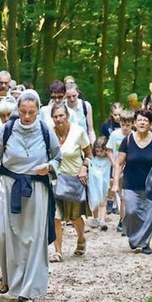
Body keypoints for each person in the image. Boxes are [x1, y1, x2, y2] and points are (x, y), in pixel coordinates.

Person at [0, 89, 62, 302]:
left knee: (33, 240)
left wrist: (50, 167)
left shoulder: (46, 131)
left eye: (31, 112)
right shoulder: (7, 130)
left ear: (37, 111)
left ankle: (26, 291)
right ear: (18, 109)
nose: (27, 116)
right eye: (23, 111)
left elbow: (57, 157)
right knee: (1, 234)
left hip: (36, 190)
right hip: (7, 187)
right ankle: (8, 277)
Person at [112, 109, 152, 254]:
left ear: (150, 124)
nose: (142, 122)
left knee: (150, 216)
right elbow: (119, 163)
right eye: (139, 120)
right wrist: (115, 183)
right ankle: (134, 238)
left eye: (146, 120)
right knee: (132, 212)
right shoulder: (127, 141)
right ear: (134, 122)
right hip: (131, 184)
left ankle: (144, 243)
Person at [50, 103, 92, 262]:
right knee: (55, 216)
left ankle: (81, 238)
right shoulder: (50, 134)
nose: (58, 119)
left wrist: (84, 168)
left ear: (67, 116)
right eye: (55, 116)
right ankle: (57, 251)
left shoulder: (78, 132)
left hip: (75, 179)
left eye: (61, 115)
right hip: (55, 179)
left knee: (75, 217)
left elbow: (89, 154)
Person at [106, 109, 134, 232]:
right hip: (118, 169)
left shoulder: (134, 135)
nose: (125, 127)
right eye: (123, 124)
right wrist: (114, 164)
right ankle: (122, 220)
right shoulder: (115, 135)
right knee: (121, 196)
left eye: (128, 125)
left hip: (131, 169)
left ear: (132, 123)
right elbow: (109, 150)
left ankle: (127, 220)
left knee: (127, 196)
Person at [89, 136, 111, 231]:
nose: (98, 153)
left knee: (103, 202)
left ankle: (102, 220)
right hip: (94, 184)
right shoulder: (93, 159)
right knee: (94, 201)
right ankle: (95, 218)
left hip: (104, 184)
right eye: (97, 151)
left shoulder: (108, 159)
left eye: (101, 151)